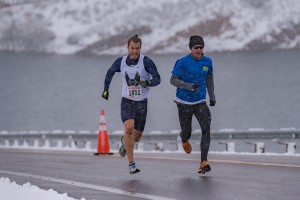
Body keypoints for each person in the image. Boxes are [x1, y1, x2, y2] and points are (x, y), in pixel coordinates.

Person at [102, 34, 161, 174]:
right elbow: (109, 72)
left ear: (140, 48)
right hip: (127, 101)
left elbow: (158, 79)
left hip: (142, 104)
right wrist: (105, 89)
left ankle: (124, 142)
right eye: (132, 48)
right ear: (128, 48)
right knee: (128, 128)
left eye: (137, 48)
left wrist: (148, 83)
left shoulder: (146, 61)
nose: (134, 51)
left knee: (137, 137)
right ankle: (131, 164)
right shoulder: (121, 62)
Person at [170, 35, 216, 174]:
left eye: (201, 47)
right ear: (191, 48)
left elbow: (209, 78)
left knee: (206, 128)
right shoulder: (183, 62)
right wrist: (187, 86)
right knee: (187, 131)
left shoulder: (207, 61)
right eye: (196, 47)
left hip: (200, 101)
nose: (198, 50)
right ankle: (184, 139)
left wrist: (212, 96)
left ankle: (203, 162)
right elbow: (173, 80)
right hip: (183, 102)